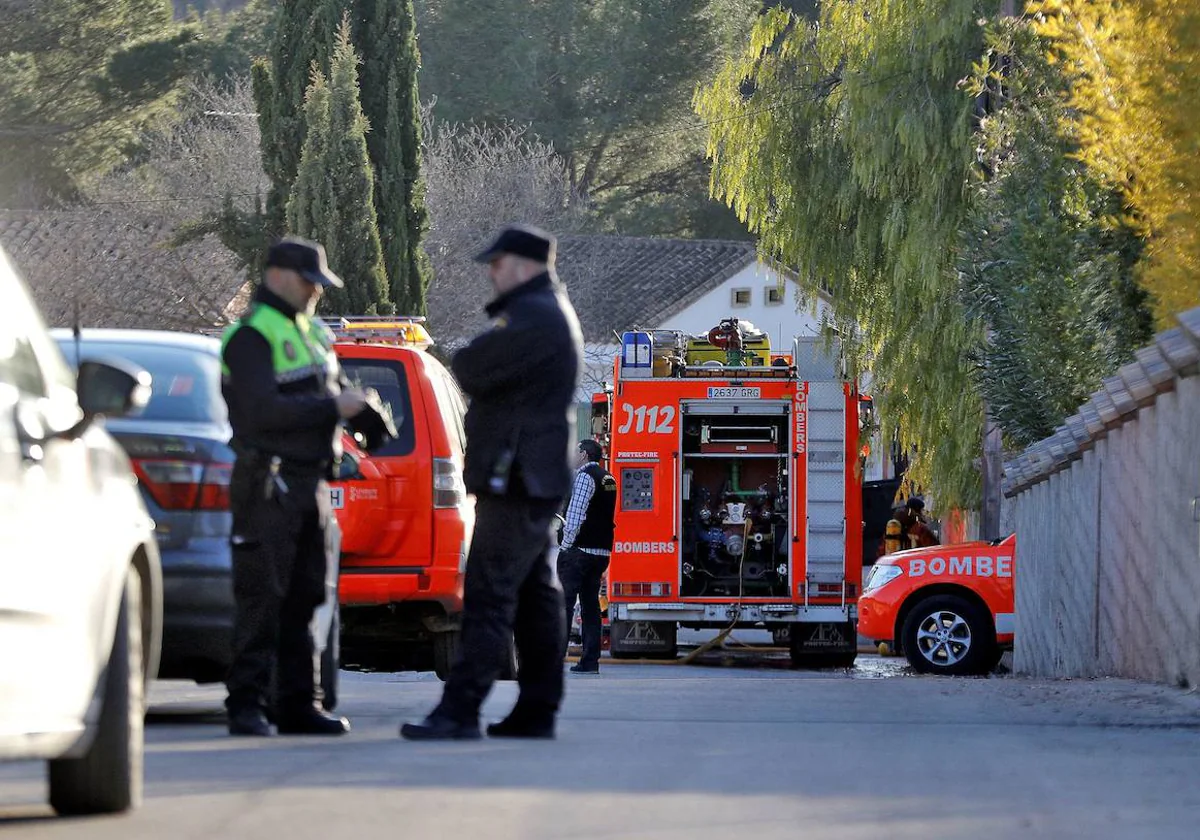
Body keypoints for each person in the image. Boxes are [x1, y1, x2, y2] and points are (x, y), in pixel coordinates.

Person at [401, 224, 583, 741]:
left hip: (517, 476)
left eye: (497, 264)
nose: (491, 274)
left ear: (523, 266)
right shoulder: (546, 313)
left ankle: (460, 710)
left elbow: (471, 366)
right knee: (533, 598)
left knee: (488, 594)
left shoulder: (534, 316)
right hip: (530, 474)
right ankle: (537, 708)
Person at [220, 237, 369, 737]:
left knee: (306, 598)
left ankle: (298, 703)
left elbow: (327, 397)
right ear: (279, 276)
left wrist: (363, 415)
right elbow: (262, 411)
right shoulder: (250, 336)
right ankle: (246, 705)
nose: (316, 293)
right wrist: (334, 408)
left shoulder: (310, 334)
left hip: (311, 482)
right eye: (310, 282)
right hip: (269, 479)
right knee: (262, 596)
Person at [558, 439, 617, 675]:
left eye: (575, 451)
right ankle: (590, 661)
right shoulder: (608, 478)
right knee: (591, 607)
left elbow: (575, 516)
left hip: (579, 552)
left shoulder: (585, 477)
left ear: (583, 454)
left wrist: (566, 545)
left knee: (565, 606)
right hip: (601, 553)